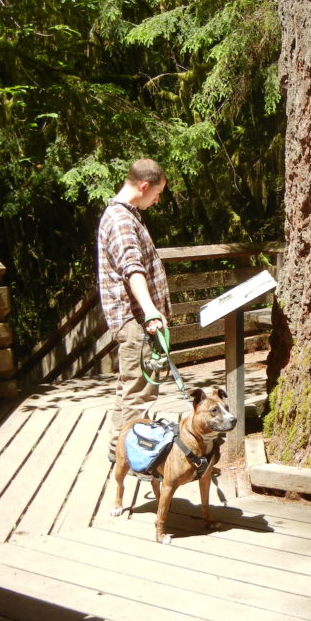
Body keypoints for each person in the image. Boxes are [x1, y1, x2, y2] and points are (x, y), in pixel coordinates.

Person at [97, 158, 172, 462]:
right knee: (138, 396)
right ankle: (129, 461)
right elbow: (132, 269)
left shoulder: (126, 215)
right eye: (157, 193)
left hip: (135, 323)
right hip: (136, 323)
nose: (157, 200)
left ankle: (121, 457)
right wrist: (151, 312)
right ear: (143, 186)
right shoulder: (122, 220)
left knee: (131, 391)